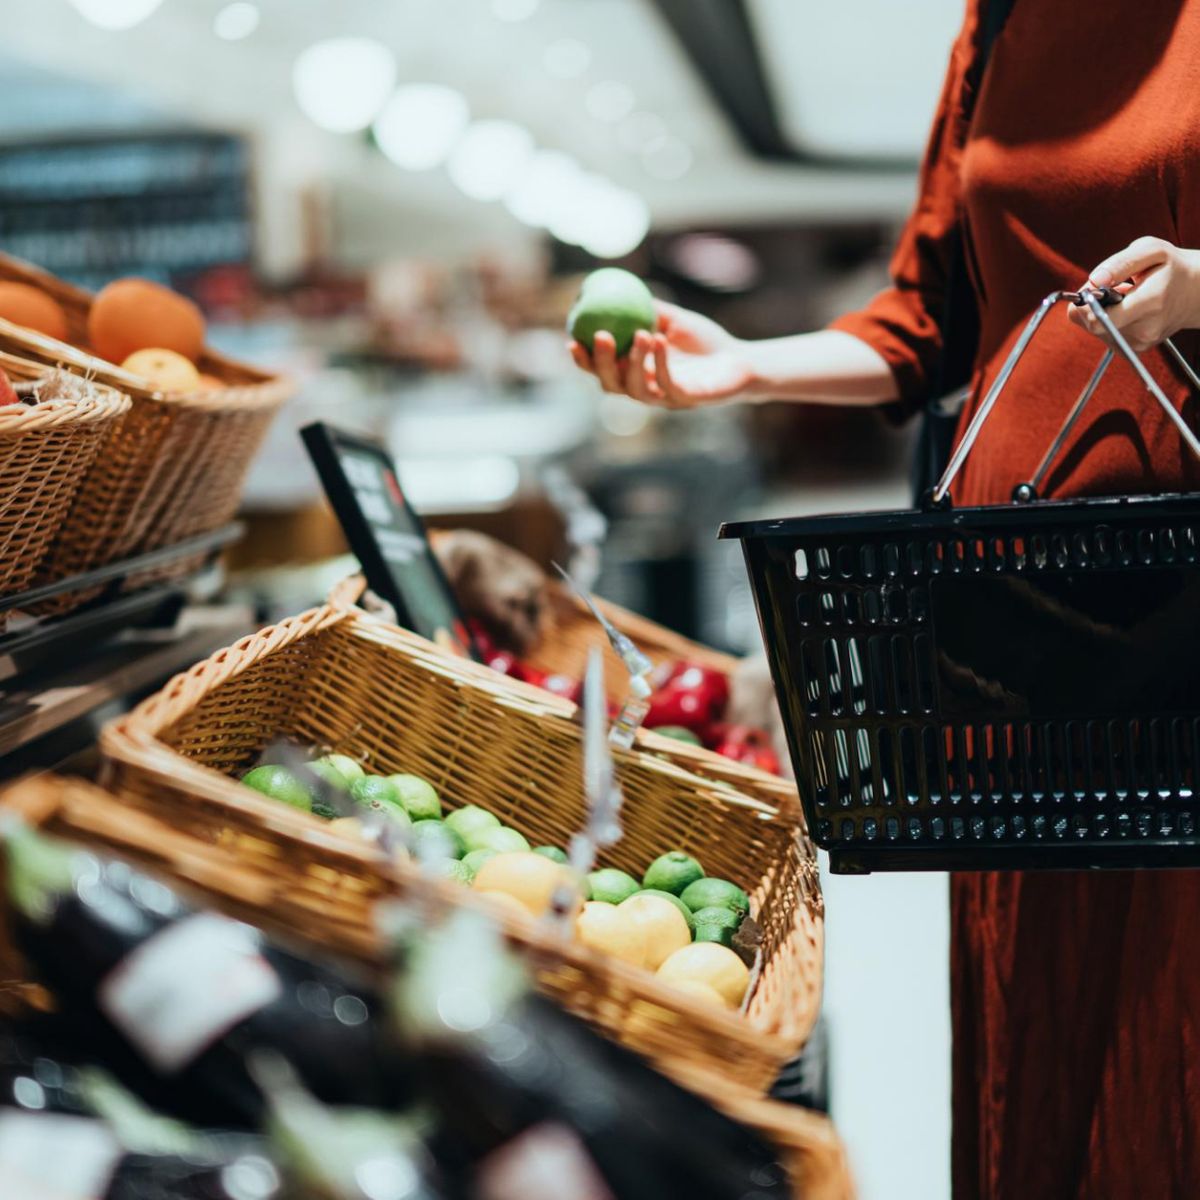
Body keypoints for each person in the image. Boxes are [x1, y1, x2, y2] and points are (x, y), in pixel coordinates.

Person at [569, 2, 1200, 1196]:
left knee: (1172, 1019)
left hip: (1183, 622)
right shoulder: (999, 22)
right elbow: (928, 321)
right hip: (1010, 627)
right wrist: (746, 368)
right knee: (1036, 1003)